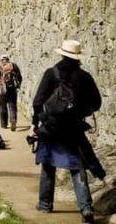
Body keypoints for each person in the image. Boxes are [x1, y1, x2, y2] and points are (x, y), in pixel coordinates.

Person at [31, 40, 103, 222]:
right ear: (77, 57)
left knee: (48, 166)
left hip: (50, 127)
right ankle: (86, 208)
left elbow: (37, 102)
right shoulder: (84, 77)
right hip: (73, 128)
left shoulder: (51, 74)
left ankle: (45, 204)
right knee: (77, 168)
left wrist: (37, 123)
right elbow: (96, 103)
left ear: (62, 54)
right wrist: (80, 112)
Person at [0, 54, 22, 131]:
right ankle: (13, 120)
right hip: (12, 89)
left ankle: (4, 124)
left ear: (1, 60)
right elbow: (19, 77)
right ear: (8, 59)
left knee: (3, 106)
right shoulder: (14, 66)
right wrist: (18, 86)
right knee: (12, 105)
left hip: (3, 89)